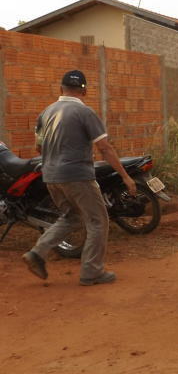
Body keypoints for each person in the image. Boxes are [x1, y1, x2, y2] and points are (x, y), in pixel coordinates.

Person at [22, 70, 136, 285]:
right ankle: (91, 271)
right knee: (98, 221)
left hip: (51, 176)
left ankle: (37, 253)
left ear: (60, 89)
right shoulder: (85, 113)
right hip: (77, 176)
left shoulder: (45, 114)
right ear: (84, 91)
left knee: (71, 216)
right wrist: (125, 177)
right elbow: (105, 148)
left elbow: (38, 146)